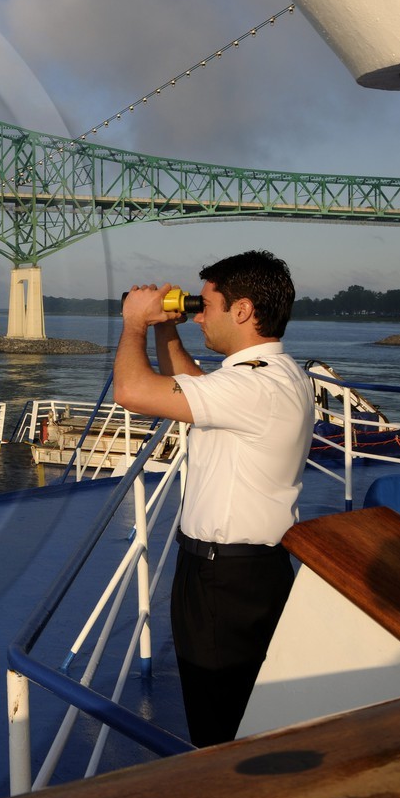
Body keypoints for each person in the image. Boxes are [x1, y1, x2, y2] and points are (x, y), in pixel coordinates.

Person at [112, 250, 308, 747]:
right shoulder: (273, 374)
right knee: (236, 709)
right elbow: (194, 387)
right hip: (243, 572)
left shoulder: (253, 386)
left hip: (227, 581)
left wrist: (135, 322)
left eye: (209, 305)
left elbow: (132, 391)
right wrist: (165, 325)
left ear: (241, 311)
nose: (200, 314)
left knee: (219, 724)